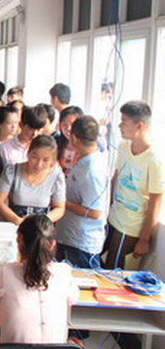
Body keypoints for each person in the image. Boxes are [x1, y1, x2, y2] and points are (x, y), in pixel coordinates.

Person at [0, 215, 79, 349]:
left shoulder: (2, 272)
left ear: (19, 239)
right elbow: (73, 298)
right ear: (52, 245)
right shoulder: (64, 273)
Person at [106, 101, 164, 269]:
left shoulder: (154, 159)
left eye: (124, 122)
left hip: (131, 226)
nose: (119, 126)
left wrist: (144, 239)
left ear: (140, 126)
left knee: (115, 270)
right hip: (113, 217)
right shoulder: (123, 146)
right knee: (99, 264)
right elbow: (115, 179)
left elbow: (155, 201)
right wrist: (108, 208)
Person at [56, 116, 109, 269]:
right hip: (69, 235)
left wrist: (62, 203)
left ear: (73, 137)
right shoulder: (84, 159)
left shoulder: (92, 170)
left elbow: (94, 212)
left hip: (81, 242)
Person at [0, 134, 66, 225]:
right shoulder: (12, 171)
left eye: (45, 160)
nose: (39, 164)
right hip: (14, 224)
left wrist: (43, 220)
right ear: (28, 153)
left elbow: (59, 208)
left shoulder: (57, 176)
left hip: (40, 227)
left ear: (53, 160)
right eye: (34, 157)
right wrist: (17, 220)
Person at [55, 105, 84, 178]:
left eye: (72, 124)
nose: (68, 128)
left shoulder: (86, 148)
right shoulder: (56, 143)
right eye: (64, 124)